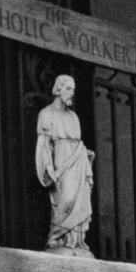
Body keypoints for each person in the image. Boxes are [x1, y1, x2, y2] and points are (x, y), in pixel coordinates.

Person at [36, 74, 95, 255]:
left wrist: (86, 154)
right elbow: (44, 145)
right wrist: (47, 167)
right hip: (61, 162)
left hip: (78, 161)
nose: (71, 93)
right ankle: (56, 237)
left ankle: (74, 240)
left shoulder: (73, 116)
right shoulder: (46, 114)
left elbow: (77, 142)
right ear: (58, 89)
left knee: (80, 200)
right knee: (66, 200)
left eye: (73, 90)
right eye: (68, 89)